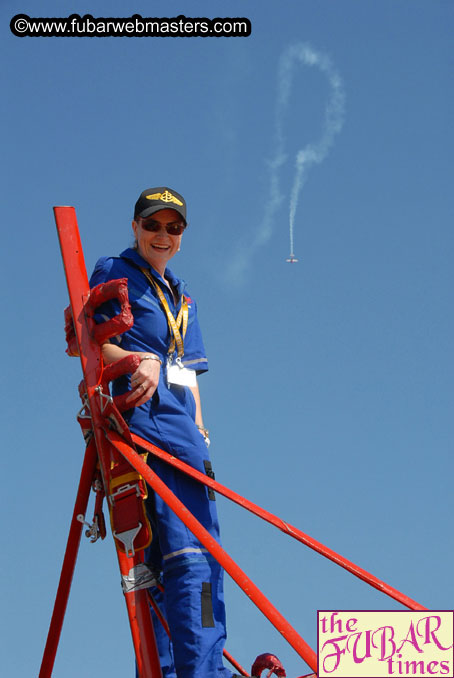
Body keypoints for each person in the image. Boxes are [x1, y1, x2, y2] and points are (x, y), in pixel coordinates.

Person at [89, 187, 238, 678]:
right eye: (153, 225)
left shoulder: (182, 295)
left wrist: (200, 427)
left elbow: (187, 371)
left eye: (173, 228)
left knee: (194, 566)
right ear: (135, 227)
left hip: (184, 438)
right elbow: (88, 343)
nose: (163, 235)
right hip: (143, 430)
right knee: (184, 563)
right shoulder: (115, 272)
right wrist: (134, 359)